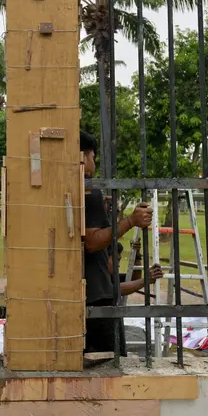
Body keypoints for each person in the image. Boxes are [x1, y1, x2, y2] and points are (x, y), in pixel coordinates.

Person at [81, 131, 152, 356]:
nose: (94, 163)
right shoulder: (89, 191)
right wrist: (131, 221)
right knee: (109, 362)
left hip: (86, 293)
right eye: (93, 157)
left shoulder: (77, 191)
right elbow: (92, 242)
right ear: (83, 157)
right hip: (98, 295)